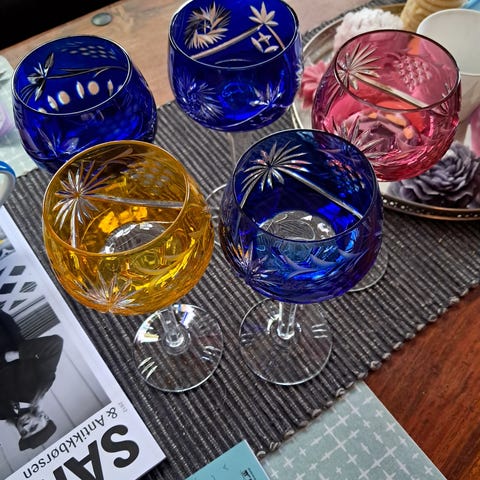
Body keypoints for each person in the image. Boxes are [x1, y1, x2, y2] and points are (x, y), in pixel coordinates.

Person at [0, 309, 63, 451]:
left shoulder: (2, 413)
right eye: (33, 427)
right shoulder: (41, 385)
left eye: (24, 433)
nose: (25, 426)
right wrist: (16, 355)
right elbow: (55, 345)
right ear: (44, 417)